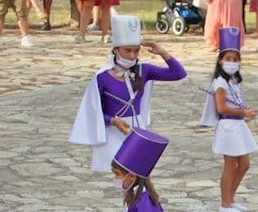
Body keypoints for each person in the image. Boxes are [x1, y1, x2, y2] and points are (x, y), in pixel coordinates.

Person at [69, 14, 187, 172]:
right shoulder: (102, 77)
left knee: (139, 177)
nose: (132, 56)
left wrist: (163, 52)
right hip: (114, 132)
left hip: (137, 131)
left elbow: (178, 74)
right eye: (127, 51)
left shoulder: (144, 70)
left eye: (136, 51)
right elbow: (93, 113)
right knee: (121, 177)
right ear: (116, 49)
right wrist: (112, 121)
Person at [200, 28, 258, 212]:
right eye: (228, 59)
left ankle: (231, 199)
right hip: (228, 126)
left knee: (244, 164)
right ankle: (225, 204)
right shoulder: (220, 83)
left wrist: (246, 111)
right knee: (231, 164)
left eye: (235, 59)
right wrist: (243, 111)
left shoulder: (234, 81)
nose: (232, 63)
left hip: (238, 125)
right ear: (220, 60)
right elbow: (221, 108)